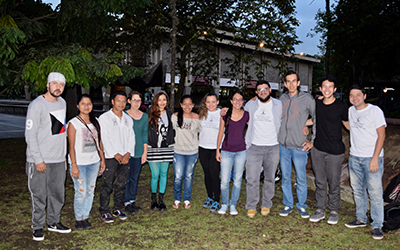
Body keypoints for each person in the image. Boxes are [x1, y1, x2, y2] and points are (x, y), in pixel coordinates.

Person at [25, 72, 71, 241]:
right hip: (40, 161)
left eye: (61, 85)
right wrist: (38, 160)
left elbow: (60, 131)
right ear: (47, 85)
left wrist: (64, 158)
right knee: (39, 194)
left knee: (57, 194)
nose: (58, 87)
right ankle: (37, 226)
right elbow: (30, 136)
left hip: (58, 160)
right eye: (55, 83)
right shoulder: (36, 105)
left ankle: (54, 222)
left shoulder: (62, 103)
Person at [344, 84, 386, 240]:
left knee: (375, 193)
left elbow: (381, 135)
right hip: (354, 157)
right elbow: (350, 127)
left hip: (371, 158)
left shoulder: (374, 111)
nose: (355, 98)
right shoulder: (350, 111)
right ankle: (360, 219)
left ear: (364, 96)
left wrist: (375, 158)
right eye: (351, 96)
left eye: (358, 95)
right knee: (358, 190)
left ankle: (377, 225)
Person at [309, 76, 348, 225]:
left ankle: (334, 210)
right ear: (320, 88)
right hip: (318, 149)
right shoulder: (316, 105)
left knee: (333, 182)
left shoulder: (341, 106)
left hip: (335, 151)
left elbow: (348, 125)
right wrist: (301, 125)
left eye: (330, 86)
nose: (327, 89)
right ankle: (320, 209)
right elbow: (313, 120)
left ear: (335, 89)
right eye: (324, 86)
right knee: (319, 181)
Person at [278, 70, 316, 219]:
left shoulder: (307, 99)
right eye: (288, 81)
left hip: (300, 146)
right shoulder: (281, 99)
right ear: (285, 84)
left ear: (298, 83)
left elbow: (318, 118)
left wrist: (311, 140)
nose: (291, 84)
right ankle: (288, 204)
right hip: (283, 146)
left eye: (294, 81)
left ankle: (301, 206)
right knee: (285, 177)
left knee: (301, 177)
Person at [68, 94, 106, 230]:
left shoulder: (95, 122)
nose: (86, 106)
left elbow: (99, 143)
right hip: (79, 163)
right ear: (78, 105)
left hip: (94, 162)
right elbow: (71, 146)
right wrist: (73, 165)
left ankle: (85, 216)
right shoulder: (73, 123)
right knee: (81, 191)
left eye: (89, 103)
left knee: (90, 190)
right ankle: (79, 218)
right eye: (83, 103)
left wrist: (102, 160)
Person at [244, 80, 282, 218]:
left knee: (270, 177)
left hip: (273, 146)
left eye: (265, 89)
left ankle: (266, 203)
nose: (263, 91)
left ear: (270, 90)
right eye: (259, 90)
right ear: (256, 92)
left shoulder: (278, 104)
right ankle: (251, 205)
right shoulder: (250, 105)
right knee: (252, 178)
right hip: (254, 147)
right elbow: (241, 115)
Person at [98, 91, 135, 223]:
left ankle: (118, 208)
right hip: (110, 157)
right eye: (118, 100)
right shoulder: (104, 118)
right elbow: (104, 138)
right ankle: (104, 210)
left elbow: (132, 137)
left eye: (124, 101)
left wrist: (128, 153)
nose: (121, 103)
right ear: (113, 101)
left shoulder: (127, 119)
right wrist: (115, 154)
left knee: (121, 184)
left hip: (125, 157)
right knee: (107, 184)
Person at [216, 90, 249, 215]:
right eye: (235, 99)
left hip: (241, 151)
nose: (237, 102)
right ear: (231, 101)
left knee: (237, 179)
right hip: (226, 151)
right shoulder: (225, 114)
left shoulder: (246, 115)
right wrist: (217, 150)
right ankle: (225, 203)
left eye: (240, 99)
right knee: (224, 180)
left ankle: (233, 204)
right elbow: (220, 133)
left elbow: (253, 129)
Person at [171, 95, 201, 209]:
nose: (187, 106)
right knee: (178, 176)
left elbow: (199, 132)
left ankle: (187, 199)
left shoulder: (197, 117)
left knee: (188, 176)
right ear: (181, 105)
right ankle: (177, 198)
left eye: (190, 104)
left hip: (192, 152)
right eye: (185, 104)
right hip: (178, 151)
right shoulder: (175, 117)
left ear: (193, 105)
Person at [147, 91, 175, 211]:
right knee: (155, 174)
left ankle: (161, 200)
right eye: (160, 100)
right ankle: (153, 200)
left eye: (164, 100)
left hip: (166, 148)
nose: (162, 102)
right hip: (152, 148)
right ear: (155, 101)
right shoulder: (149, 114)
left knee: (164, 174)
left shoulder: (170, 114)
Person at [124, 91, 148, 215]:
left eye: (139, 100)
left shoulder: (144, 116)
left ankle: (132, 201)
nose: (136, 103)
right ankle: (126, 202)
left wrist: (145, 152)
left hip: (138, 151)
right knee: (125, 178)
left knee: (134, 177)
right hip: (126, 151)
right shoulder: (123, 115)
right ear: (129, 101)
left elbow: (145, 135)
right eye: (134, 100)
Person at [198, 93, 222, 212]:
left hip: (216, 149)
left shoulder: (222, 113)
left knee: (214, 174)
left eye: (213, 101)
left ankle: (217, 200)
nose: (211, 104)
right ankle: (210, 197)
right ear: (205, 103)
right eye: (208, 102)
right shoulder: (202, 114)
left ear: (217, 102)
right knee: (207, 173)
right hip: (203, 147)